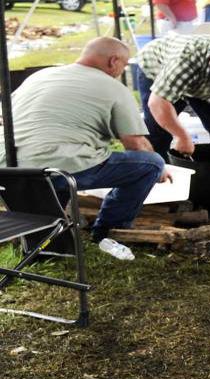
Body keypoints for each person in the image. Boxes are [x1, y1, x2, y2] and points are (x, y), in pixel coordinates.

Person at [0, 38, 169, 244]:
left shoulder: (41, 75)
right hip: (54, 170)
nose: (121, 71)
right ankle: (109, 231)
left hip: (8, 167)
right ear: (113, 61)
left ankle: (43, 232)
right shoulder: (114, 88)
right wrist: (162, 170)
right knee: (151, 164)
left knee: (59, 154)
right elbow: (136, 144)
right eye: (124, 66)